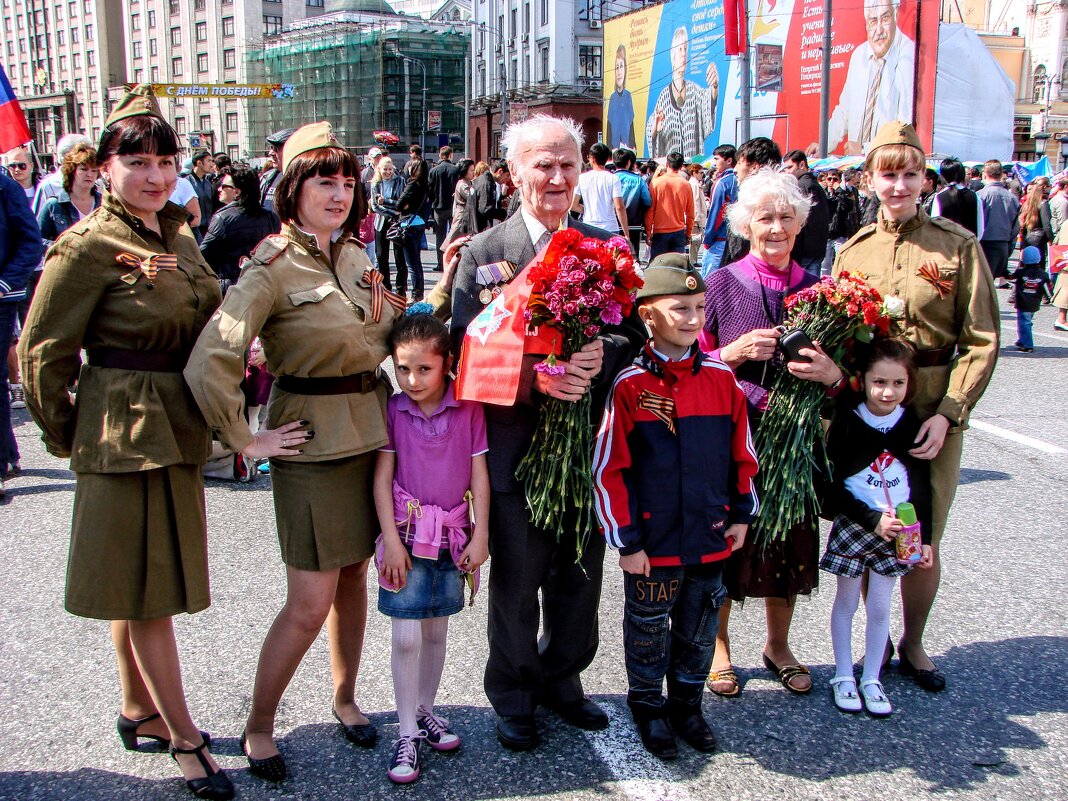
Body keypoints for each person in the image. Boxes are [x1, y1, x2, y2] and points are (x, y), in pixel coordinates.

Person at [16, 85, 231, 798]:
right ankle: (185, 737)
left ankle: (138, 707)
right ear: (102, 167)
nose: (155, 174)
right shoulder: (88, 243)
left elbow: (204, 308)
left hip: (173, 424)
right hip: (122, 431)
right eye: (135, 160)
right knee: (148, 597)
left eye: (165, 159)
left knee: (141, 585)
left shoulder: (176, 232)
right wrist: (70, 430)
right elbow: (39, 352)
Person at [185, 121, 405, 781]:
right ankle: (259, 723)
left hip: (371, 435)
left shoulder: (358, 257)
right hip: (310, 446)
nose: (339, 193)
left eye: (345, 180)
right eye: (323, 180)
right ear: (294, 188)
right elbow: (211, 359)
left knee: (354, 579)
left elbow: (393, 331)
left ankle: (345, 697)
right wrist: (244, 438)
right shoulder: (271, 264)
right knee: (309, 599)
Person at [450, 114, 645, 752]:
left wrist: (598, 355)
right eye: (544, 164)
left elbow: (632, 334)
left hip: (586, 445)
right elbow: (462, 347)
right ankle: (514, 692)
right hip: (514, 445)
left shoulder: (604, 246)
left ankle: (565, 679)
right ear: (514, 174)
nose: (558, 177)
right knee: (516, 583)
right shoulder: (483, 254)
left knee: (579, 577)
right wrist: (539, 379)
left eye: (568, 164)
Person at [834, 121, 999, 692]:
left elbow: (981, 339)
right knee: (866, 522)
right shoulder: (854, 251)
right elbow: (837, 333)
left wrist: (950, 411)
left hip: (929, 413)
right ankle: (861, 648)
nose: (898, 185)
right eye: (888, 174)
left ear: (924, 178)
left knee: (922, 533)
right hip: (867, 408)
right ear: (870, 179)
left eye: (909, 174)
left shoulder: (958, 246)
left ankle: (912, 640)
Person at [593, 254, 757, 760]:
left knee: (699, 628)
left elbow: (743, 454)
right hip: (653, 543)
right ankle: (647, 706)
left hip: (709, 536)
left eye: (700, 307)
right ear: (648, 315)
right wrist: (625, 540)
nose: (692, 318)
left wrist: (741, 514)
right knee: (647, 630)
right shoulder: (630, 386)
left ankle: (687, 704)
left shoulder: (721, 379)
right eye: (680, 308)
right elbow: (609, 468)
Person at [702, 168, 839, 699]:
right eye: (765, 218)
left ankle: (778, 645)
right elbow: (687, 365)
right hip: (732, 436)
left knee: (788, 541)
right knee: (726, 541)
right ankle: (719, 646)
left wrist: (829, 374)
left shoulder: (821, 291)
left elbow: (843, 378)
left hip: (795, 442)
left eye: (787, 217)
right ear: (746, 224)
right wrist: (729, 356)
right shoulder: (719, 283)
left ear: (801, 223)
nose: (776, 228)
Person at [373, 312, 490, 783]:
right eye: (403, 369)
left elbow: (479, 476)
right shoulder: (393, 410)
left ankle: (424, 710)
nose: (412, 379)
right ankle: (405, 734)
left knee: (437, 631)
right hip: (406, 536)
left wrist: (481, 534)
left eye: (424, 368)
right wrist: (392, 544)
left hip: (453, 537)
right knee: (405, 635)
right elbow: (382, 481)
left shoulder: (470, 408)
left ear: (447, 365)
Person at [820, 338, 934, 717]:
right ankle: (843, 675)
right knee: (848, 601)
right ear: (863, 381)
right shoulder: (848, 421)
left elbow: (921, 484)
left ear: (909, 385)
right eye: (879, 382)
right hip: (858, 525)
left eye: (898, 384)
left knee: (882, 607)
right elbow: (832, 486)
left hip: (899, 530)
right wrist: (872, 520)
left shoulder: (911, 422)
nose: (888, 392)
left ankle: (872, 677)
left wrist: (925, 538)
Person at [813, 0, 915, 156]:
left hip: (887, 161)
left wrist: (864, 149)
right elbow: (843, 111)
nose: (878, 30)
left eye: (885, 19)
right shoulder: (859, 55)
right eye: (873, 21)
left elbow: (905, 127)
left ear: (896, 15)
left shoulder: (908, 54)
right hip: (855, 165)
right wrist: (823, 146)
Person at [1, 160, 44, 496]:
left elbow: (30, 241)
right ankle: (7, 454)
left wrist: (5, 282)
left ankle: (3, 457)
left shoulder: (5, 187)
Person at [199, 165, 281, 290]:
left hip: (230, 288)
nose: (219, 189)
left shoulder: (222, 219)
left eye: (225, 186)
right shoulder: (271, 217)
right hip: (262, 285)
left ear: (237, 192)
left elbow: (203, 256)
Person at [645, 27, 718, 159]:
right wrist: (656, 128)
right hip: (672, 166)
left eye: (685, 49)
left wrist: (714, 86)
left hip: (693, 166)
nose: (683, 54)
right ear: (672, 54)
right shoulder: (664, 97)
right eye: (680, 49)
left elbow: (708, 105)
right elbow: (652, 132)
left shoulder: (694, 90)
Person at [719, 137, 783, 267]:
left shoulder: (755, 203)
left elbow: (737, 252)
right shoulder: (784, 199)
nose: (735, 169)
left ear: (755, 167)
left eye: (739, 163)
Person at [782, 150, 831, 274]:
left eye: (790, 167)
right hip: (817, 248)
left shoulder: (801, 186)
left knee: (801, 289)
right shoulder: (815, 185)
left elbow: (802, 220)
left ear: (802, 165)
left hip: (804, 249)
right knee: (812, 289)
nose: (787, 171)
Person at [977, 159, 1020, 288]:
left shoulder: (980, 195)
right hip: (1002, 243)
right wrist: (1009, 247)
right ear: (1001, 174)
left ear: (985, 174)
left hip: (983, 243)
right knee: (990, 285)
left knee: (980, 285)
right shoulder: (1012, 198)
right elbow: (1015, 227)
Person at [572, 142, 628, 237]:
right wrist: (626, 233)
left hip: (589, 226)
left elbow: (573, 205)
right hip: (610, 228)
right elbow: (619, 207)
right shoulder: (613, 178)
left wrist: (587, 210)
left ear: (592, 158)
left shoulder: (582, 178)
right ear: (607, 159)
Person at [645, 151, 693, 260]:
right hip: (679, 230)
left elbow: (650, 210)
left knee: (657, 265)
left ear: (667, 165)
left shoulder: (655, 183)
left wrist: (648, 232)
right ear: (681, 166)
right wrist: (688, 233)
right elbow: (690, 213)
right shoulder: (686, 184)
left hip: (659, 231)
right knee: (676, 267)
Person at [699, 144, 738, 276]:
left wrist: (708, 239)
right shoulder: (740, 180)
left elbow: (716, 214)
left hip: (719, 240)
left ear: (729, 160)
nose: (714, 162)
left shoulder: (721, 183)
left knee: (710, 283)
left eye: (716, 159)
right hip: (737, 240)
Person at [371, 156, 408, 293]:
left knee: (400, 257)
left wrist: (385, 201)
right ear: (379, 170)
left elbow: (401, 203)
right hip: (381, 222)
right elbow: (375, 206)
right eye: (384, 169)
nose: (387, 172)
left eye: (389, 169)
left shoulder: (400, 181)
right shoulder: (375, 184)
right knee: (381, 256)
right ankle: (386, 287)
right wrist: (391, 211)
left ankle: (401, 289)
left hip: (397, 223)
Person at [32, 133, 93, 214]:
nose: (88, 156)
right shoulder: (48, 186)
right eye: (82, 153)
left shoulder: (97, 183)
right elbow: (37, 222)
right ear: (66, 158)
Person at [396, 156, 430, 301]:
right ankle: (419, 292)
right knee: (417, 261)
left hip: (408, 224)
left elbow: (399, 204)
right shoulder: (425, 185)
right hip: (419, 223)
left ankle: (416, 294)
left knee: (411, 263)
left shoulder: (412, 184)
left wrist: (405, 207)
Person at [1009, 245, 1053, 352]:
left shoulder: (1020, 272)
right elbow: (1047, 289)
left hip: (1022, 302)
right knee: (1025, 322)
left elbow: (1011, 278)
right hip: (1034, 302)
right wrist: (1050, 297)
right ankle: (1022, 339)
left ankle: (1028, 344)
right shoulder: (1043, 274)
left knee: (1024, 323)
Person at [612, 147, 651, 258]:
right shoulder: (638, 180)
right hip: (634, 224)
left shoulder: (610, 178)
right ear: (629, 162)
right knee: (632, 257)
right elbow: (647, 201)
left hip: (613, 223)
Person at [931, 158, 984, 237]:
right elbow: (980, 229)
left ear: (942, 176)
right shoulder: (974, 196)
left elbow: (935, 226)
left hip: (946, 246)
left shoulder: (939, 197)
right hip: (969, 245)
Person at [428, 147, 460, 272]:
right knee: (454, 235)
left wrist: (434, 201)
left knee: (439, 236)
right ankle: (453, 261)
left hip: (438, 206)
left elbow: (430, 189)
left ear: (440, 155)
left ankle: (440, 263)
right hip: (453, 206)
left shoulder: (434, 170)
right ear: (450, 155)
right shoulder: (455, 170)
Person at [1017, 177, 1054, 273]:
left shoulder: (1029, 202)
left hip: (1029, 237)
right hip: (1039, 238)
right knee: (1039, 267)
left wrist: (1022, 244)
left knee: (1028, 266)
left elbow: (1022, 224)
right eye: (1049, 186)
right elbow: (1047, 225)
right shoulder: (1043, 203)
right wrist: (1052, 240)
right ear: (1045, 187)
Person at [606, 44, 636, 149]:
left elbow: (631, 123)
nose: (619, 72)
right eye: (617, 67)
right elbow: (609, 127)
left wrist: (633, 147)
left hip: (626, 148)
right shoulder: (612, 97)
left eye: (621, 67)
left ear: (625, 69)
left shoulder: (628, 96)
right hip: (614, 149)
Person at [259, 128, 296, 214]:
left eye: (276, 149)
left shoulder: (305, 181)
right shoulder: (267, 177)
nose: (270, 153)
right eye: (271, 148)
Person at [467, 158, 509, 233]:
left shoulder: (485, 180)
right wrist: (503, 213)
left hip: (475, 225)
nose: (507, 179)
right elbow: (485, 210)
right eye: (507, 175)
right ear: (500, 171)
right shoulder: (486, 183)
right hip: (477, 227)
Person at [442, 158, 476, 247]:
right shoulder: (462, 185)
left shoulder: (469, 182)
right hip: (462, 216)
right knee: (454, 239)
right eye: (471, 170)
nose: (474, 172)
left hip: (466, 215)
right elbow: (471, 197)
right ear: (465, 171)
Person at [185, 149, 216, 243]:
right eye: (209, 161)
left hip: (208, 230)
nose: (212, 164)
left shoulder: (208, 183)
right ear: (199, 163)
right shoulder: (187, 183)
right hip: (193, 231)